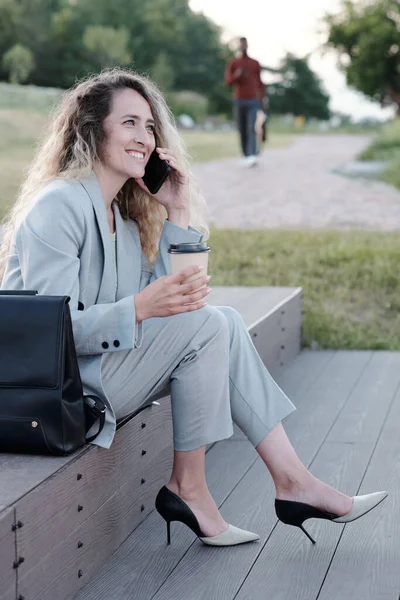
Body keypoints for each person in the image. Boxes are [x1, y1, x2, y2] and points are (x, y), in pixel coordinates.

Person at [0, 68, 387, 547]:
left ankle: (291, 482)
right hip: (61, 396)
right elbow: (44, 335)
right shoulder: (59, 206)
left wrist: (177, 213)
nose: (144, 137)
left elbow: (176, 305)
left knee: (222, 320)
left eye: (149, 126)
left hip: (100, 374)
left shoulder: (118, 218)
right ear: (91, 128)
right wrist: (139, 308)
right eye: (129, 123)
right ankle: (196, 487)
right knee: (210, 325)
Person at [225, 37, 266, 167]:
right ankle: (245, 155)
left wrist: (264, 98)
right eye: (241, 45)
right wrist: (237, 75)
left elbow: (260, 82)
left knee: (251, 128)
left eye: (245, 45)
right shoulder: (233, 62)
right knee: (242, 128)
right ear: (238, 47)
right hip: (239, 100)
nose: (243, 47)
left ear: (247, 45)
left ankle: (252, 155)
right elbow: (227, 82)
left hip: (253, 100)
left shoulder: (254, 63)